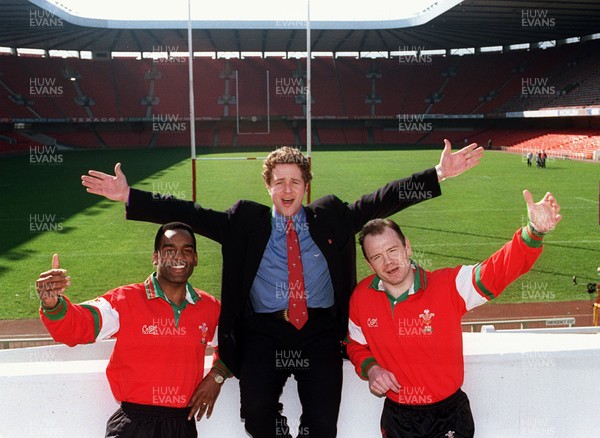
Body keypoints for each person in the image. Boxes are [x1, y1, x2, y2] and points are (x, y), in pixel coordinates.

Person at [81, 140, 483, 437]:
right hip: (264, 334)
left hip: (320, 333)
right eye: (279, 182)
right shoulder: (245, 222)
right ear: (268, 187)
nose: (287, 190)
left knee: (323, 424)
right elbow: (190, 213)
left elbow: (381, 201)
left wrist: (440, 172)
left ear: (306, 185)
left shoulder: (331, 216)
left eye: (295, 181)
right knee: (257, 416)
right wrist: (128, 196)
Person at [345, 190, 562, 438]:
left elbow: (497, 271)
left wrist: (533, 232)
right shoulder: (362, 297)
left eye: (393, 250)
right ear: (370, 264)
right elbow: (355, 345)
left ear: (407, 247)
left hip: (448, 415)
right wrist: (371, 368)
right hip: (398, 418)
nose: (388, 262)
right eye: (377, 257)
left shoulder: (448, 285)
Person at [35, 222, 228, 438]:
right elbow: (79, 326)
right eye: (169, 250)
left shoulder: (210, 308)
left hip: (182, 425)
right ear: (155, 257)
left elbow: (236, 345)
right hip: (133, 425)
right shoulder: (125, 300)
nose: (179, 257)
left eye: (187, 251)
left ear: (195, 259)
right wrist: (53, 304)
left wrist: (217, 377)